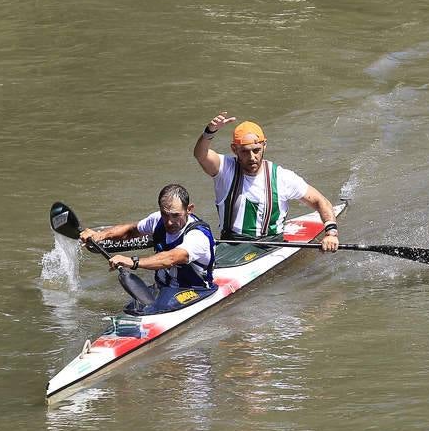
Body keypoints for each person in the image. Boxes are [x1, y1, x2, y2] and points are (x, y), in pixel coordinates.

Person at [193, 111, 339, 252]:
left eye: (256, 150)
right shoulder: (224, 169)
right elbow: (200, 154)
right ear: (234, 149)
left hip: (271, 246)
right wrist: (209, 132)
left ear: (264, 146)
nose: (252, 157)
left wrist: (331, 233)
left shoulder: (283, 177)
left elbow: (321, 201)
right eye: (245, 151)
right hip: (231, 245)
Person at [79, 184, 216, 314]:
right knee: (132, 308)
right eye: (165, 214)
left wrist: (133, 262)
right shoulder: (157, 220)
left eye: (175, 215)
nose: (169, 222)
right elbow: (131, 230)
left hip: (193, 290)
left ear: (189, 209)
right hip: (162, 288)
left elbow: (170, 258)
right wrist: (100, 236)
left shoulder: (198, 236)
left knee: (153, 308)